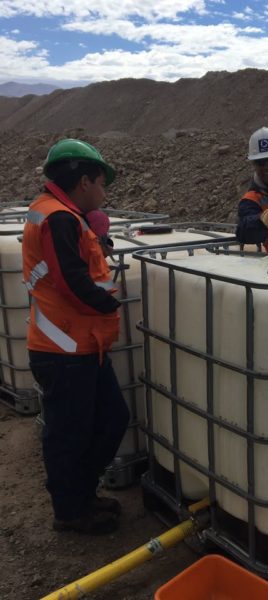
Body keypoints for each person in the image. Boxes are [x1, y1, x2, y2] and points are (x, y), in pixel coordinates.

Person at [22, 138, 129, 535]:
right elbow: (72, 282)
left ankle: (82, 493)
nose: (104, 192)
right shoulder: (58, 218)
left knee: (111, 419)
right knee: (69, 433)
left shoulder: (60, 214)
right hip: (63, 348)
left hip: (81, 345)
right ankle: (70, 511)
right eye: (102, 183)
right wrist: (112, 305)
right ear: (84, 181)